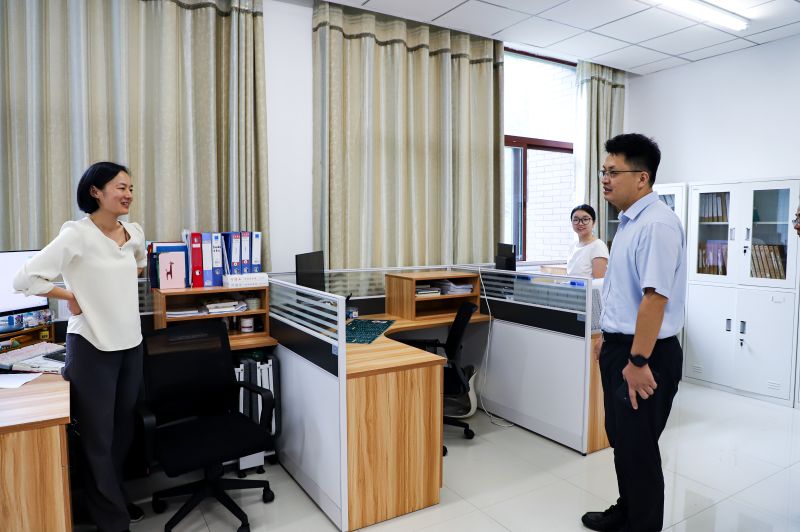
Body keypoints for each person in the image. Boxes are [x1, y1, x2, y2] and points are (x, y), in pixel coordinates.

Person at [13, 162, 147, 532]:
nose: (128, 194)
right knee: (97, 439)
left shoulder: (133, 233)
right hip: (91, 346)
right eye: (120, 187)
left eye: (131, 188)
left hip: (131, 344)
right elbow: (25, 279)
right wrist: (71, 295)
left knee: (122, 433)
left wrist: (111, 290)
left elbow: (136, 265)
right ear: (96, 192)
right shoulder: (77, 234)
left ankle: (110, 500)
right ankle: (113, 522)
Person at [581, 134, 687, 532]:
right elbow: (621, 291)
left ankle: (642, 525)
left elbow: (654, 299)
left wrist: (638, 360)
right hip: (621, 347)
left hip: (646, 354)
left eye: (613, 172)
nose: (604, 179)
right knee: (623, 441)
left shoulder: (657, 224)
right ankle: (627, 511)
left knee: (639, 449)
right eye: (603, 171)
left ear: (642, 178)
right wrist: (606, 337)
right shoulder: (628, 222)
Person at [566, 204, 609, 278]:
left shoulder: (598, 246)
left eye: (585, 219)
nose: (580, 223)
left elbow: (599, 281)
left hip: (589, 286)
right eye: (576, 220)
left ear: (593, 222)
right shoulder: (573, 245)